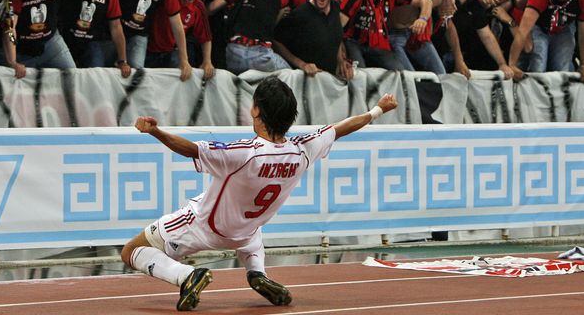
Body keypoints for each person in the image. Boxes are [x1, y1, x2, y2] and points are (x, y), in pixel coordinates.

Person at [122, 76, 398, 311]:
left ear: (256, 110)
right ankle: (256, 272)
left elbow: (192, 149)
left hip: (202, 227)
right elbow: (341, 128)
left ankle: (187, 276)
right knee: (252, 229)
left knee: (131, 250)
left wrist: (156, 131)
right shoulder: (302, 150)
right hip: (245, 233)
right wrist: (378, 110)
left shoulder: (244, 152)